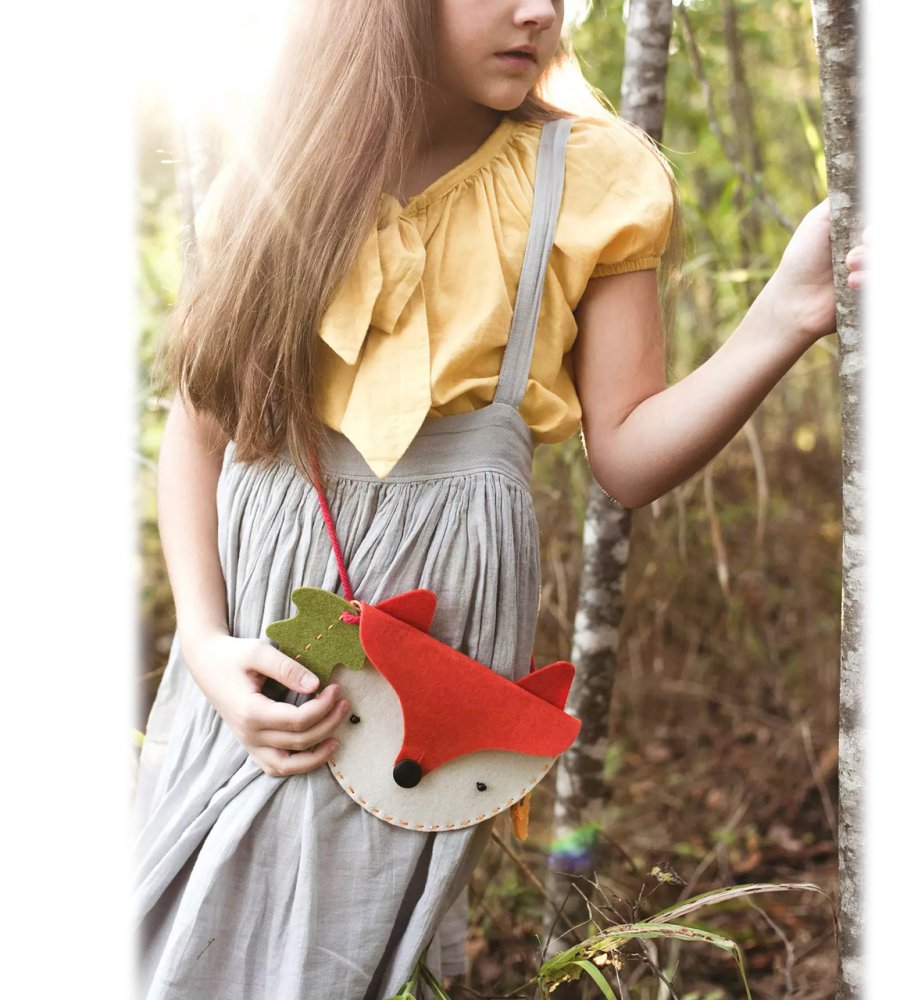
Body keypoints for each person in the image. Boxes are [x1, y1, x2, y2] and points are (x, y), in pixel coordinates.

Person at [134, 1, 866, 997]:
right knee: (181, 930)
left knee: (344, 954)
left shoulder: (585, 178)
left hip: (430, 661)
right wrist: (204, 644)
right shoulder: (287, 157)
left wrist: (782, 316)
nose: (540, 10)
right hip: (253, 636)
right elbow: (199, 427)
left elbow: (628, 453)